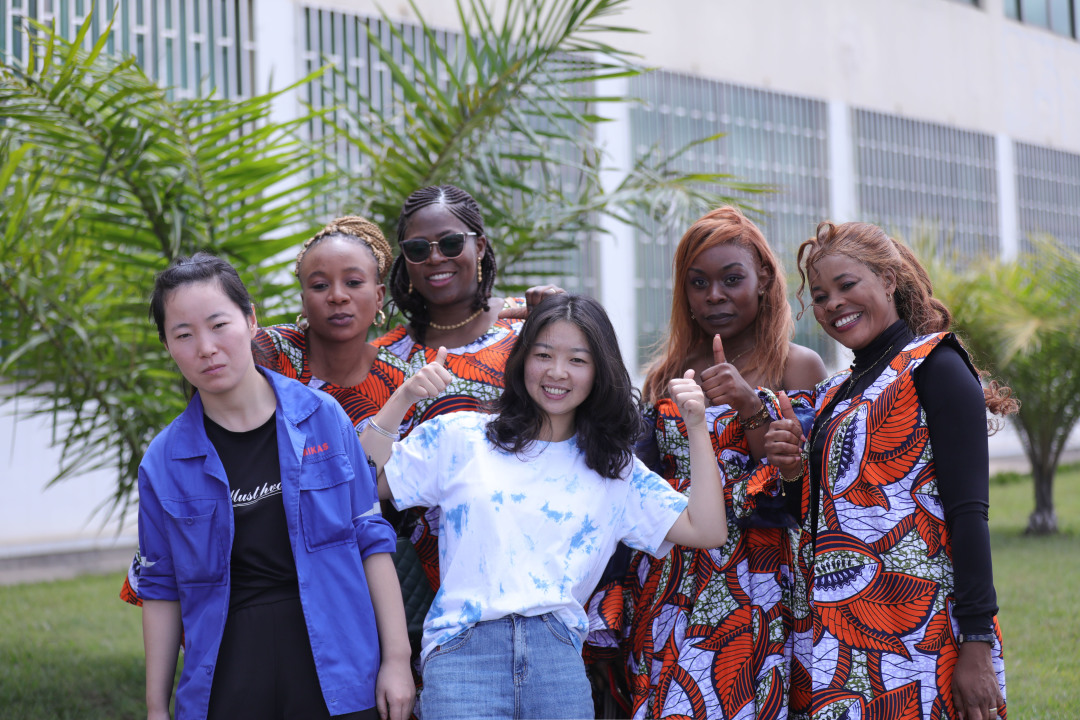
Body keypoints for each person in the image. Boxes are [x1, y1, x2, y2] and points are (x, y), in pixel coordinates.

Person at [360, 293, 730, 720]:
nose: (557, 372)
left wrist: (697, 426)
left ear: (599, 371)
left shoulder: (614, 468)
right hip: (462, 658)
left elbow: (707, 530)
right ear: (522, 361)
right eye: (543, 355)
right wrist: (404, 398)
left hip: (557, 665)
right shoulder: (461, 437)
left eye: (577, 360)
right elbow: (362, 482)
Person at [136, 253, 413, 720]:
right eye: (183, 335)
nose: (206, 348)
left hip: (340, 669)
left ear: (250, 321)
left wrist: (397, 661)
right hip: (229, 678)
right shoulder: (164, 462)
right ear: (167, 345)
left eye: (218, 325)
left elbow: (371, 538)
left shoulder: (322, 417)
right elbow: (161, 587)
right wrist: (155, 709)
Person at [761, 221, 1016, 720]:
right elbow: (818, 518)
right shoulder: (834, 394)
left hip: (920, 631)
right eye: (820, 296)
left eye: (847, 285)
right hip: (838, 639)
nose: (833, 304)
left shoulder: (935, 366)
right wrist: (791, 468)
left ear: (888, 280)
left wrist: (976, 642)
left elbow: (969, 514)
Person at [121, 216, 410, 604]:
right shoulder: (269, 352)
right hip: (250, 555)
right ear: (302, 298)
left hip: (365, 553)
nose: (337, 296)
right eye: (319, 285)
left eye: (354, 282)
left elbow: (388, 491)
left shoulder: (402, 375)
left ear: (378, 295)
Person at [610, 206, 826, 719]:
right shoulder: (667, 373)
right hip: (673, 575)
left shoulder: (796, 365)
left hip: (762, 575)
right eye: (698, 283)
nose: (714, 295)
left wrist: (749, 402)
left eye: (732, 279)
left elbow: (797, 481)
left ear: (764, 279)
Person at [373, 184, 560, 591]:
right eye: (418, 249)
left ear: (480, 246)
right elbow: (368, 471)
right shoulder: (384, 358)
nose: (435, 257)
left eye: (451, 243)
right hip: (434, 582)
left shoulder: (529, 325)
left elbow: (599, 418)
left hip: (545, 560)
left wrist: (563, 324)